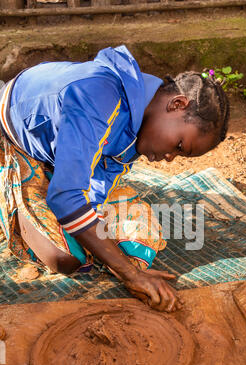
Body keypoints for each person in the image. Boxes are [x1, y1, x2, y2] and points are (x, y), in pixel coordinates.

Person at [0, 45, 229, 312]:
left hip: (56, 154)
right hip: (11, 137)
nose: (170, 158)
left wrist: (120, 260)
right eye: (179, 146)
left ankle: (54, 180)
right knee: (64, 258)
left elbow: (96, 187)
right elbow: (66, 198)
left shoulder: (140, 122)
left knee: (130, 245)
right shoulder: (98, 95)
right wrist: (130, 274)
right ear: (177, 104)